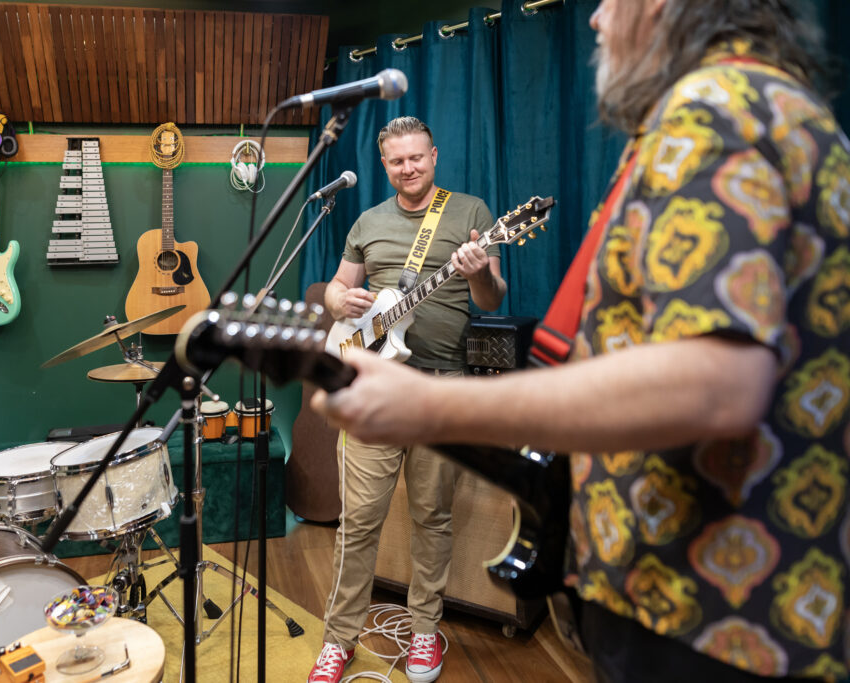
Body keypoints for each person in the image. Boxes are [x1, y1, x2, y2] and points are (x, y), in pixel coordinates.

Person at [312, 1, 850, 681]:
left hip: (706, 604)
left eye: (610, 1)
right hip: (736, 596)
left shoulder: (715, 111)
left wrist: (429, 407)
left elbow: (713, 384)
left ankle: (424, 630)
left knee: (433, 517)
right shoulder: (767, 106)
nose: (595, 19)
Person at [307, 116, 507, 683]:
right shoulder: (367, 221)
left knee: (432, 516)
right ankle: (338, 639)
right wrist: (339, 299)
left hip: (440, 386)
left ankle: (424, 633)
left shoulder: (471, 213)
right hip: (371, 383)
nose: (408, 168)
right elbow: (338, 289)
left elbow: (491, 297)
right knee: (359, 522)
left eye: (416, 157)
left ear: (434, 155)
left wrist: (475, 273)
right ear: (385, 164)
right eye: (397, 161)